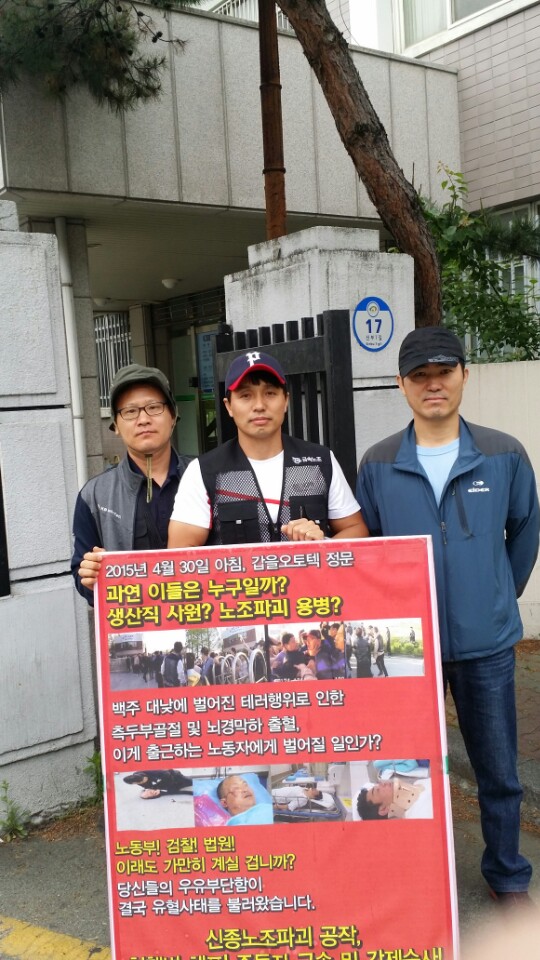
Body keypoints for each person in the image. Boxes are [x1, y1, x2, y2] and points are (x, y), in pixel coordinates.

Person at [356, 326, 540, 904]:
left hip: (487, 647)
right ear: (401, 384)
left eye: (444, 372)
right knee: (404, 767)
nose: (433, 384)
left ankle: (507, 875)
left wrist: (495, 596)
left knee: (498, 772)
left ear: (464, 374)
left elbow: (524, 533)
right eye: (420, 375)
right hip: (409, 648)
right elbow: (369, 549)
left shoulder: (504, 453)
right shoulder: (379, 462)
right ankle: (414, 879)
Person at [167, 351, 367, 548]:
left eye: (270, 393)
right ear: (229, 406)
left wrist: (323, 544)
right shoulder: (205, 470)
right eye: (246, 395)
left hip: (310, 571)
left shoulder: (319, 461)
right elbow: (180, 552)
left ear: (286, 400)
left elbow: (356, 529)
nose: (259, 405)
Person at [72, 364, 190, 604]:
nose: (143, 419)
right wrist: (90, 577)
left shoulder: (207, 477)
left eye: (154, 407)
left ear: (173, 416)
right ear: (115, 425)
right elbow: (81, 575)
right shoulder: (94, 496)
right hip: (136, 622)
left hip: (202, 616)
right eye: (130, 411)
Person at [123, 769, 192, 800]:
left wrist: (158, 787)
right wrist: (154, 789)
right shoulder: (135, 779)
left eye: (145, 779)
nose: (145, 780)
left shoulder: (151, 771)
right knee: (173, 790)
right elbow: (148, 787)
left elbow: (168, 775)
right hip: (165, 785)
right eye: (142, 782)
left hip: (174, 776)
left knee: (190, 781)